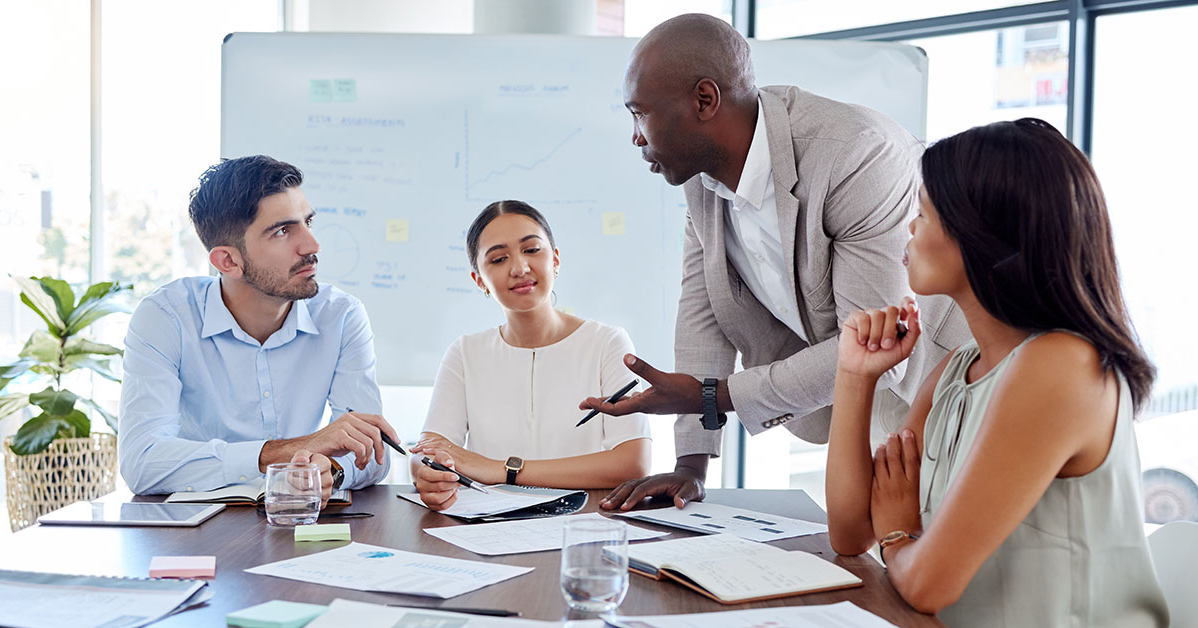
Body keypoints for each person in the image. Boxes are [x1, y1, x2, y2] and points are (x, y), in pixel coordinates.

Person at [583, 13, 969, 510]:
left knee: (941, 570)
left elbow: (876, 341)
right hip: (858, 411)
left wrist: (714, 396)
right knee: (879, 559)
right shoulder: (704, 184)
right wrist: (689, 467)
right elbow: (703, 315)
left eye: (640, 113)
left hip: (950, 387)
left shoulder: (855, 156)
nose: (636, 136)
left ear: (705, 100)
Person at [825, 119, 1168, 626]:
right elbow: (851, 534)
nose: (910, 230)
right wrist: (856, 376)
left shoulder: (1061, 366)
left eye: (923, 214)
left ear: (984, 237)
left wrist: (899, 536)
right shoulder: (956, 370)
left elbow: (926, 584)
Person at [119, 155, 400, 509]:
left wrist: (329, 468)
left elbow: (373, 451)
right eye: (283, 231)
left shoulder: (341, 316)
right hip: (195, 536)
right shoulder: (166, 317)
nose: (312, 246)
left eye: (308, 221)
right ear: (228, 262)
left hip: (305, 524)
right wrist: (283, 453)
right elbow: (142, 461)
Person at [411, 201, 652, 511]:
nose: (519, 268)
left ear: (556, 259)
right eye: (498, 259)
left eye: (532, 250)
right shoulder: (465, 352)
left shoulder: (607, 342)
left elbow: (633, 462)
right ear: (479, 280)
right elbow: (426, 451)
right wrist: (428, 473)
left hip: (584, 523)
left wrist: (501, 469)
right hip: (487, 528)